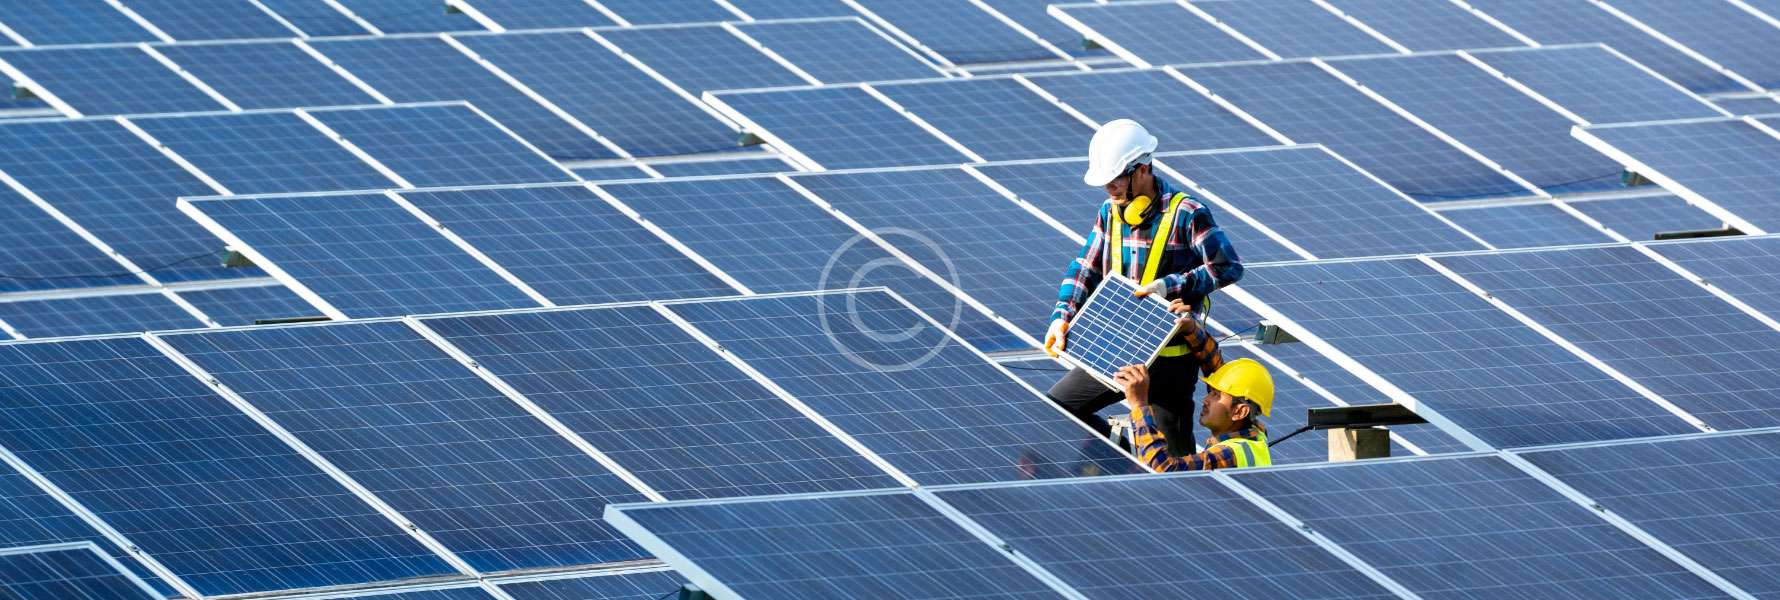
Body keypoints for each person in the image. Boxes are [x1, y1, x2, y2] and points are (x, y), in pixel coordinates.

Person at [1044, 119, 1243, 455]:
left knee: (1173, 464)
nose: (1109, 188)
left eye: (1115, 179)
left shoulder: (1187, 213)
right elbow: (1085, 266)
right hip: (1115, 349)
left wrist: (1171, 286)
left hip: (1170, 362)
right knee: (1056, 408)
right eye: (1105, 181)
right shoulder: (1110, 212)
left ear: (1143, 169)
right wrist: (1061, 316)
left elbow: (1228, 267)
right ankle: (1120, 455)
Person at [1114, 357, 1274, 471]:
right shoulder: (1255, 436)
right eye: (1211, 392)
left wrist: (1139, 405)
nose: (1205, 400)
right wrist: (1192, 329)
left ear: (1239, 412)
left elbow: (1162, 469)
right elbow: (1214, 363)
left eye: (1216, 395)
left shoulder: (1230, 454)